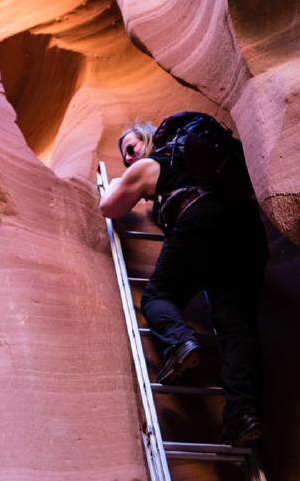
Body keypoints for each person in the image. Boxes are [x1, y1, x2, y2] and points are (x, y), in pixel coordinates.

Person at [99, 117, 268, 446]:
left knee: (157, 298)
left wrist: (124, 177)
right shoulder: (202, 164)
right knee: (235, 324)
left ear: (147, 141)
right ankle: (242, 415)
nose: (129, 158)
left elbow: (110, 207)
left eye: (130, 148)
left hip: (202, 219)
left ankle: (178, 342)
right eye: (125, 157)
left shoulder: (152, 163)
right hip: (248, 232)